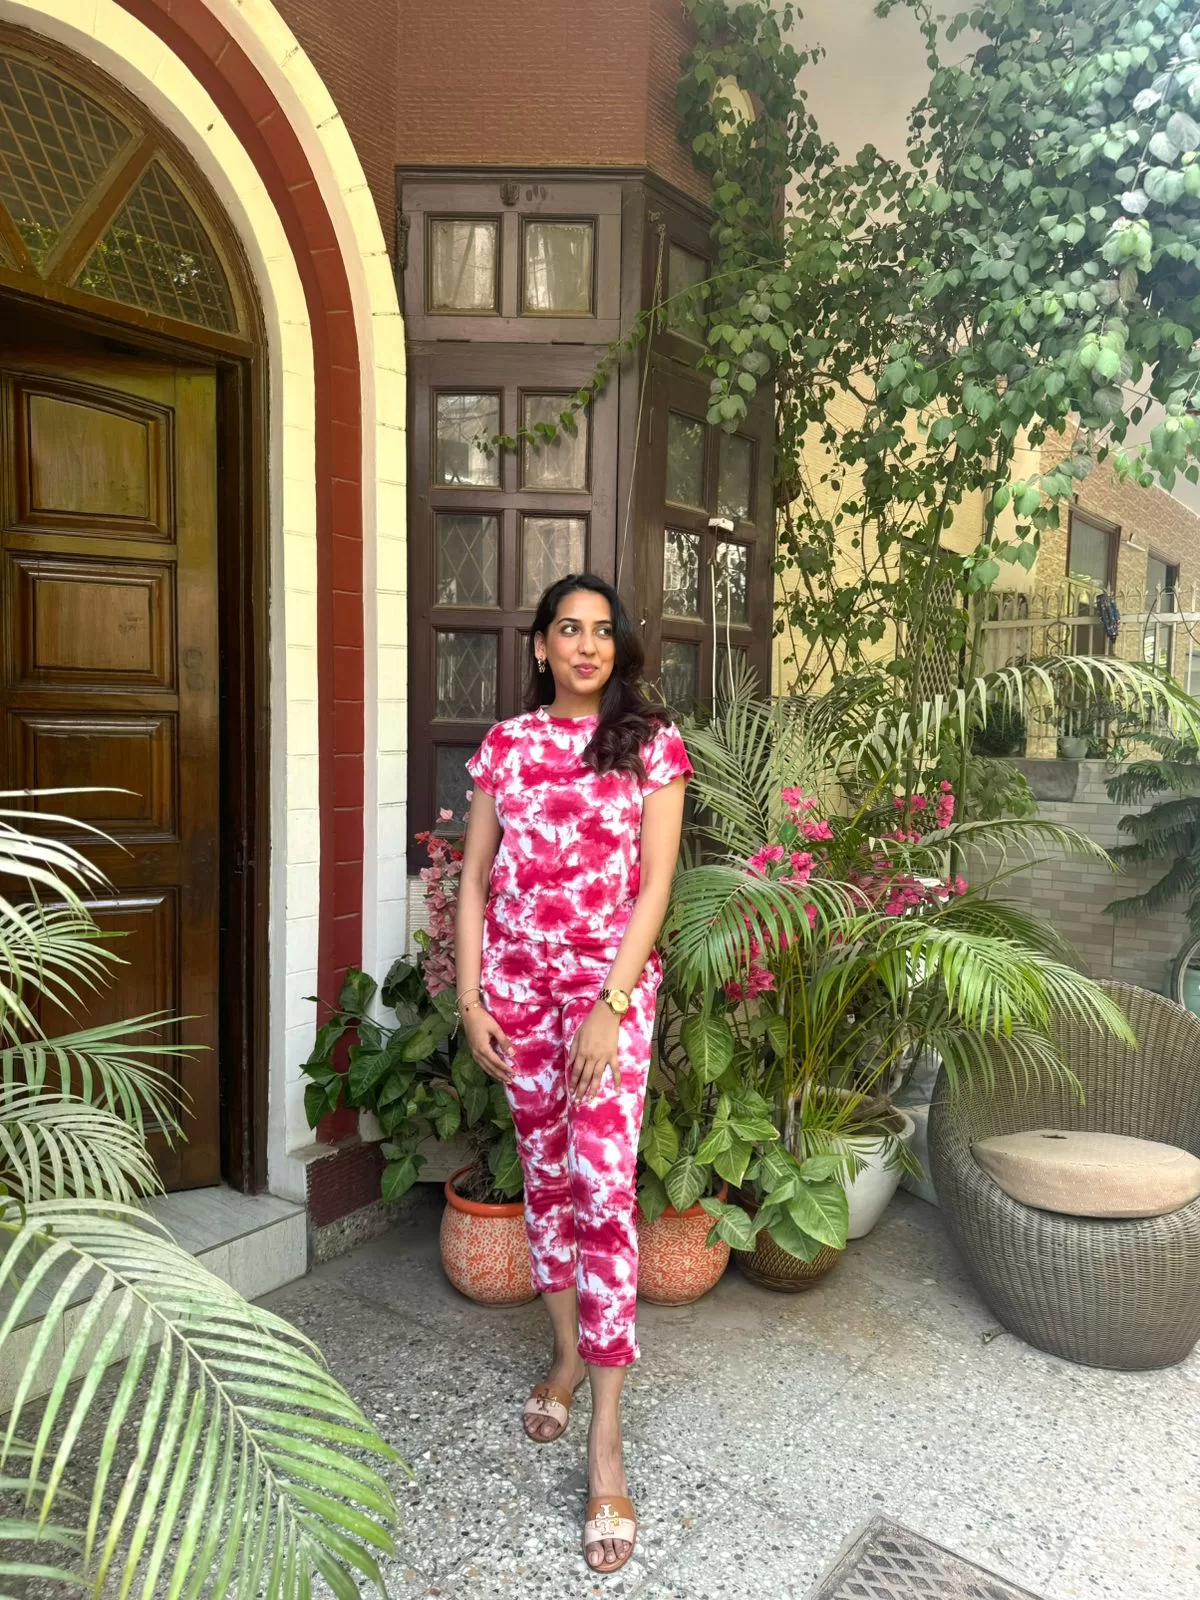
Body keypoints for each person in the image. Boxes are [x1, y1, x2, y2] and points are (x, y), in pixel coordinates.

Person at [455, 572, 691, 1574]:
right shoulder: (506, 746)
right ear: (542, 646)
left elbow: (657, 885)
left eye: (601, 630)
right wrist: (471, 1000)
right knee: (547, 1182)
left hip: (608, 1000)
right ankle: (562, 1355)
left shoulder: (650, 746)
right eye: (568, 629)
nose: (586, 645)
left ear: (616, 647)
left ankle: (605, 1440)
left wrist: (610, 1004)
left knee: (602, 1191)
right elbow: (474, 879)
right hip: (515, 996)